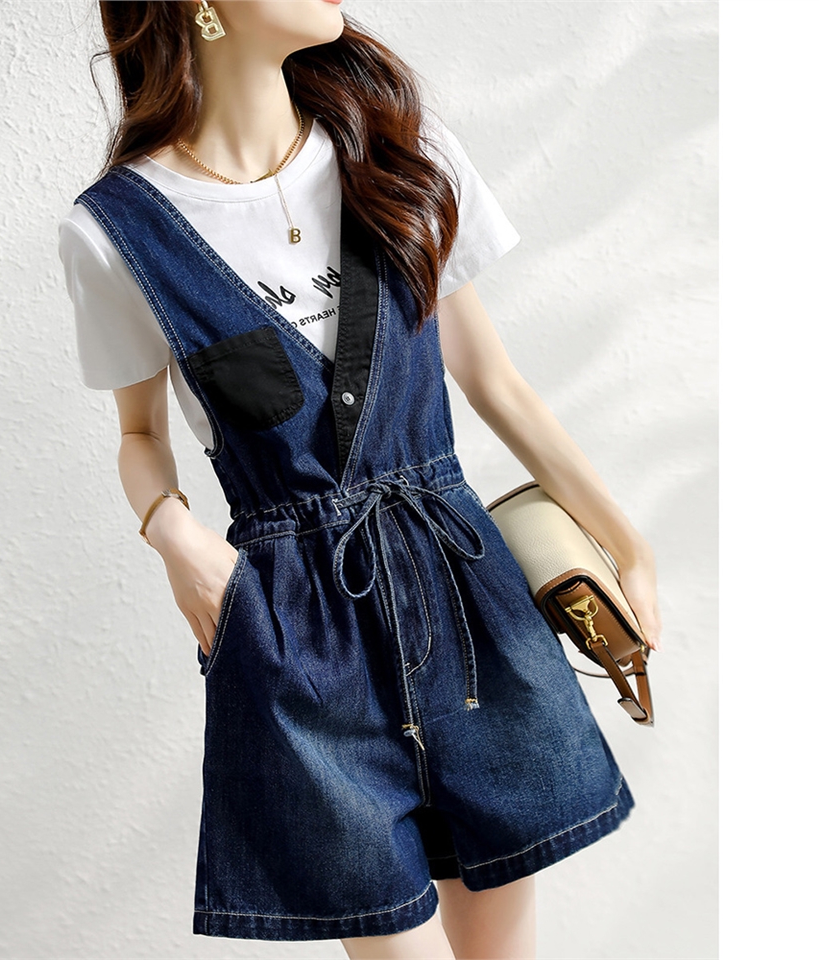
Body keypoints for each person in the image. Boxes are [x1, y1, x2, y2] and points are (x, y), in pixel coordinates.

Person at [58, 2, 662, 957]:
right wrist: (176, 539)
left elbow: (493, 380)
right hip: (300, 635)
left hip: (466, 600)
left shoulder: (399, 150)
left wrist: (626, 542)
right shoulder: (118, 230)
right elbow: (139, 434)